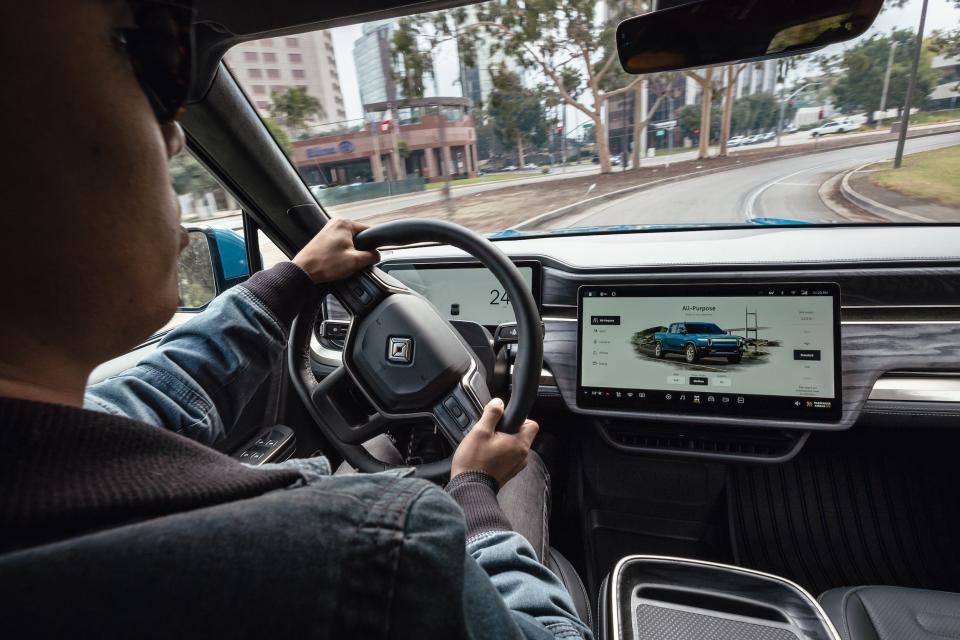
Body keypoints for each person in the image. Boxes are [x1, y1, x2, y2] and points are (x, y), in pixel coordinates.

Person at [0, 1, 591, 638]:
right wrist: (473, 490)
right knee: (523, 468)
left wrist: (296, 280)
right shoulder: (381, 547)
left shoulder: (61, 444)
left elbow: (163, 392)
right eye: (134, 52)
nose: (174, 135)